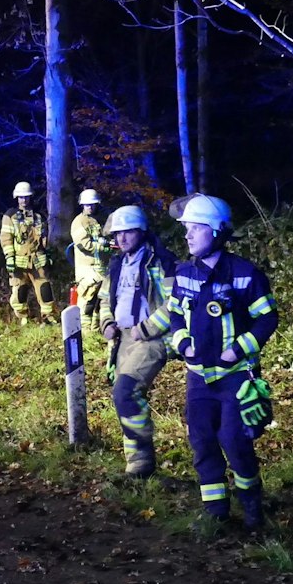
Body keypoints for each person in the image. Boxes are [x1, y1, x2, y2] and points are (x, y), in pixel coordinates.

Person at [141, 195, 278, 532]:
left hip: (235, 378)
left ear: (216, 232)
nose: (187, 235)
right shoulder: (184, 273)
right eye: (186, 228)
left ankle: (252, 511)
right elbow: (175, 314)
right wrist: (182, 342)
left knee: (234, 440)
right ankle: (215, 512)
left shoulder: (246, 274)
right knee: (201, 441)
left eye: (195, 228)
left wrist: (239, 349)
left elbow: (267, 317)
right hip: (198, 379)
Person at [97, 205, 177, 479]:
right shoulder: (117, 264)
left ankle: (141, 463)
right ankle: (136, 465)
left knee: (125, 392)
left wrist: (147, 328)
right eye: (117, 234)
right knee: (124, 397)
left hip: (150, 340)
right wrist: (107, 323)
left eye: (127, 232)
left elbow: (174, 305)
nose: (121, 239)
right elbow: (105, 299)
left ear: (141, 231)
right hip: (123, 340)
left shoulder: (160, 261)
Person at [0, 181, 52, 324]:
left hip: (37, 260)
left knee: (45, 289)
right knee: (20, 291)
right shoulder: (10, 216)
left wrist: (48, 254)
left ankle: (48, 318)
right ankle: (22, 318)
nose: (24, 200)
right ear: (17, 198)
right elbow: (6, 238)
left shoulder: (39, 217)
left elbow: (44, 239)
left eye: (27, 197)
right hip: (19, 261)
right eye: (21, 197)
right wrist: (9, 257)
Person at [70, 188, 109, 324]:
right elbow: (84, 244)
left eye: (92, 204)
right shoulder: (79, 221)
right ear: (82, 205)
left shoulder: (95, 221)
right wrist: (102, 245)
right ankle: (85, 331)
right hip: (86, 268)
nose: (90, 207)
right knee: (87, 298)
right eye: (87, 205)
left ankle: (95, 330)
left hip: (99, 267)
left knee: (98, 300)